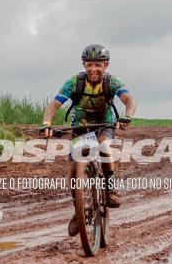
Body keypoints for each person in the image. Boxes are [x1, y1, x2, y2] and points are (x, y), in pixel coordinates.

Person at [40, 44, 137, 236]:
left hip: (104, 124)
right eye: (90, 64)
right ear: (84, 64)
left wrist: (127, 116)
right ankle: (78, 211)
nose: (94, 69)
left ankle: (110, 190)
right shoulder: (74, 82)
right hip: (79, 127)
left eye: (98, 65)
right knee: (71, 168)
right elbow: (53, 105)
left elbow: (129, 100)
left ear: (105, 65)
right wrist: (46, 123)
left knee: (103, 147)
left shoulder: (112, 81)